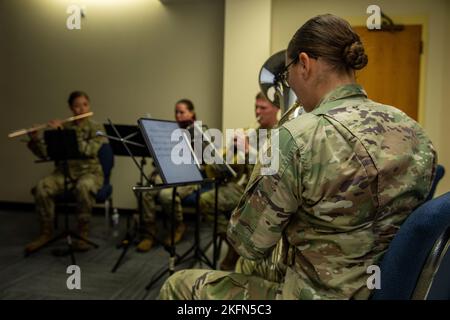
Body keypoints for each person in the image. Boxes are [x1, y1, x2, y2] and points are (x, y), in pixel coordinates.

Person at [159, 14, 436, 300]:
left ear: (303, 63)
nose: (288, 83)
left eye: (288, 71)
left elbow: (248, 242)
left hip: (314, 293)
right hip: (382, 288)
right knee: (247, 268)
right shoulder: (414, 131)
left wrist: (270, 154)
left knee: (177, 285)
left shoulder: (296, 137)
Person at [199, 92, 280, 271]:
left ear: (276, 108)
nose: (258, 112)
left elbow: (271, 170)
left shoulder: (280, 133)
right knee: (207, 200)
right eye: (256, 107)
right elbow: (235, 174)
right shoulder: (252, 132)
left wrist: (248, 149)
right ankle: (233, 245)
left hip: (268, 193)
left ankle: (240, 248)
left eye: (263, 108)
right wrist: (230, 152)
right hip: (246, 188)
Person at [25, 91, 107, 254]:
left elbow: (89, 150)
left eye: (85, 105)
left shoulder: (97, 127)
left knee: (84, 186)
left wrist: (65, 133)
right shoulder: (65, 126)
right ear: (71, 108)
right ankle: (45, 232)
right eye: (77, 106)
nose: (81, 109)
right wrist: (35, 139)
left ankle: (82, 232)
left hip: (89, 173)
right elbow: (46, 154)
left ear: (89, 106)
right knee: (43, 186)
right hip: (65, 172)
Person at [136, 99, 201, 252]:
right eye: (176, 112)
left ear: (191, 113)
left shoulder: (198, 132)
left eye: (182, 112)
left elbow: (199, 161)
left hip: (187, 177)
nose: (178, 116)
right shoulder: (170, 131)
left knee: (166, 195)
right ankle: (149, 232)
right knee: (145, 192)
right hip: (166, 175)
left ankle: (178, 226)